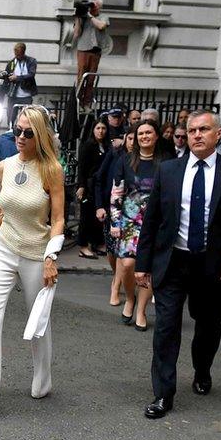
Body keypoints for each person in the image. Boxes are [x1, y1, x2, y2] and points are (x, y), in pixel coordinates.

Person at [135, 110, 221, 419]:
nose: (197, 135)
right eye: (192, 130)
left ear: (219, 134)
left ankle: (202, 368)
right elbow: (151, 220)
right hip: (172, 261)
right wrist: (142, 263)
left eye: (204, 129)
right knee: (165, 328)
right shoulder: (169, 171)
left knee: (208, 326)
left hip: (213, 265)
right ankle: (163, 393)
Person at [0, 105, 65, 419]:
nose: (20, 137)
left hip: (37, 255)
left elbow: (59, 219)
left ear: (40, 136)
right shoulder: (5, 166)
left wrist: (52, 256)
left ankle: (42, 378)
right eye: (17, 130)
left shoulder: (52, 170)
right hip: (5, 252)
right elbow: (2, 211)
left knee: (38, 324)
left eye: (28, 132)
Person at [110, 120, 168, 330]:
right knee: (126, 265)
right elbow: (117, 193)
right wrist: (115, 221)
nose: (144, 136)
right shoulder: (125, 160)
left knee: (149, 269)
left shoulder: (166, 162)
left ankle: (141, 309)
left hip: (155, 223)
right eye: (140, 133)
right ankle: (130, 299)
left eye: (148, 132)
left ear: (156, 136)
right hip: (129, 221)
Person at [98, 131, 135, 305]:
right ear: (125, 139)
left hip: (134, 216)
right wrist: (99, 206)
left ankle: (116, 285)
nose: (133, 142)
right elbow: (99, 178)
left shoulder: (147, 161)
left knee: (122, 254)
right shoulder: (115, 156)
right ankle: (117, 277)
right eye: (130, 138)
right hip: (112, 209)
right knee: (112, 252)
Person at [75, 119, 108, 258]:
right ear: (93, 130)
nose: (100, 131)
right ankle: (83, 246)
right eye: (98, 128)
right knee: (86, 216)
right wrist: (81, 185)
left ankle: (97, 243)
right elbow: (82, 168)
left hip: (100, 186)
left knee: (98, 217)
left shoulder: (106, 146)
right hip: (88, 185)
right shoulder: (88, 145)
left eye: (103, 128)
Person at [73, 0, 108, 109]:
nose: (92, 7)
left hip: (95, 51)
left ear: (99, 7)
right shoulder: (83, 17)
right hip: (83, 49)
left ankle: (86, 103)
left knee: (91, 78)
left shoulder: (103, 16)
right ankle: (78, 101)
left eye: (95, 5)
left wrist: (90, 16)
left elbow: (101, 26)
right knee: (81, 76)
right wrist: (78, 17)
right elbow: (76, 34)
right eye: (91, 4)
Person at [0, 43, 38, 126]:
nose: (17, 56)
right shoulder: (12, 63)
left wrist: (17, 78)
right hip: (13, 95)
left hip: (26, 96)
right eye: (16, 54)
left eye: (19, 55)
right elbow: (7, 78)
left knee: (27, 119)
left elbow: (31, 74)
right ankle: (11, 131)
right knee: (10, 118)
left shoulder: (31, 61)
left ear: (23, 52)